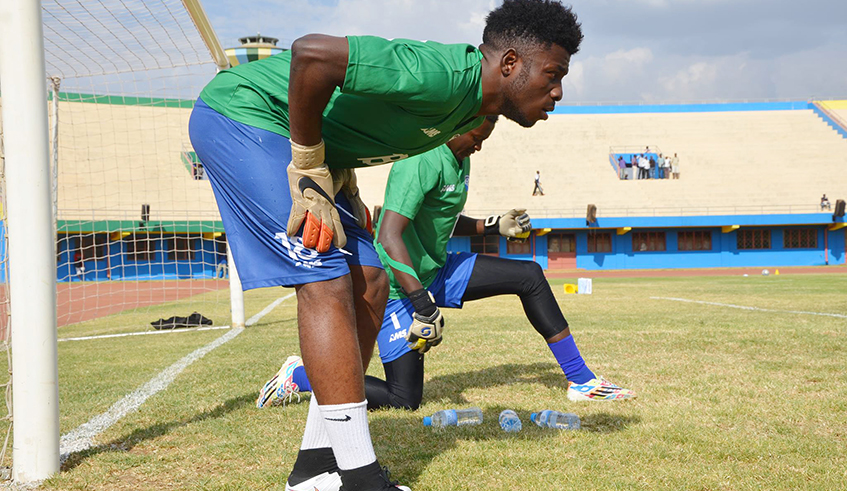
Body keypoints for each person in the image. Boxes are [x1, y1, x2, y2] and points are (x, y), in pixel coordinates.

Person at [188, 1, 583, 490]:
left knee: (371, 281)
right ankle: (360, 477)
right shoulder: (442, 75)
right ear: (509, 64)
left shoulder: (467, 110)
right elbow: (313, 55)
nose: (558, 91)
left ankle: (313, 469)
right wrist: (312, 162)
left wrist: (341, 173)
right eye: (552, 74)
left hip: (312, 146)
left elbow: (354, 116)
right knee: (327, 277)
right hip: (243, 116)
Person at [260, 117, 635, 413]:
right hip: (398, 286)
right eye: (475, 136)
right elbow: (390, 235)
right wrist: (422, 304)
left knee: (529, 276)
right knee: (403, 399)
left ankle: (581, 381)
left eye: (484, 139)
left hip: (437, 270)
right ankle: (299, 374)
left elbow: (442, 217)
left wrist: (492, 225)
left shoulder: (461, 157)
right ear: (455, 127)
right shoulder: (421, 160)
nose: (478, 144)